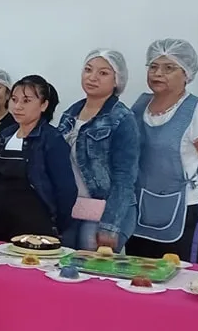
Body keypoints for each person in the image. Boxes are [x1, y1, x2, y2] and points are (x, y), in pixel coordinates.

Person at [126, 39, 198, 263]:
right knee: (138, 279)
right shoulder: (139, 107)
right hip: (140, 211)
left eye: (169, 68)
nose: (158, 73)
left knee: (180, 281)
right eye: (153, 67)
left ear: (186, 73)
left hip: (186, 211)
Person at [57, 50, 139, 252]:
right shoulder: (71, 113)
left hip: (104, 213)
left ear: (116, 81)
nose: (92, 77)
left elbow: (124, 178)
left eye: (103, 73)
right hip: (71, 209)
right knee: (62, 270)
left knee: (93, 272)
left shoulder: (122, 118)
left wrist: (110, 226)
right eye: (88, 70)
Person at [0, 75, 76, 242]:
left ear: (43, 105)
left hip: (37, 228)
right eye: (14, 100)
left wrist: (56, 225)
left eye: (26, 101)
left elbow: (66, 190)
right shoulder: (6, 135)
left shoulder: (52, 139)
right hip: (1, 225)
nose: (18, 106)